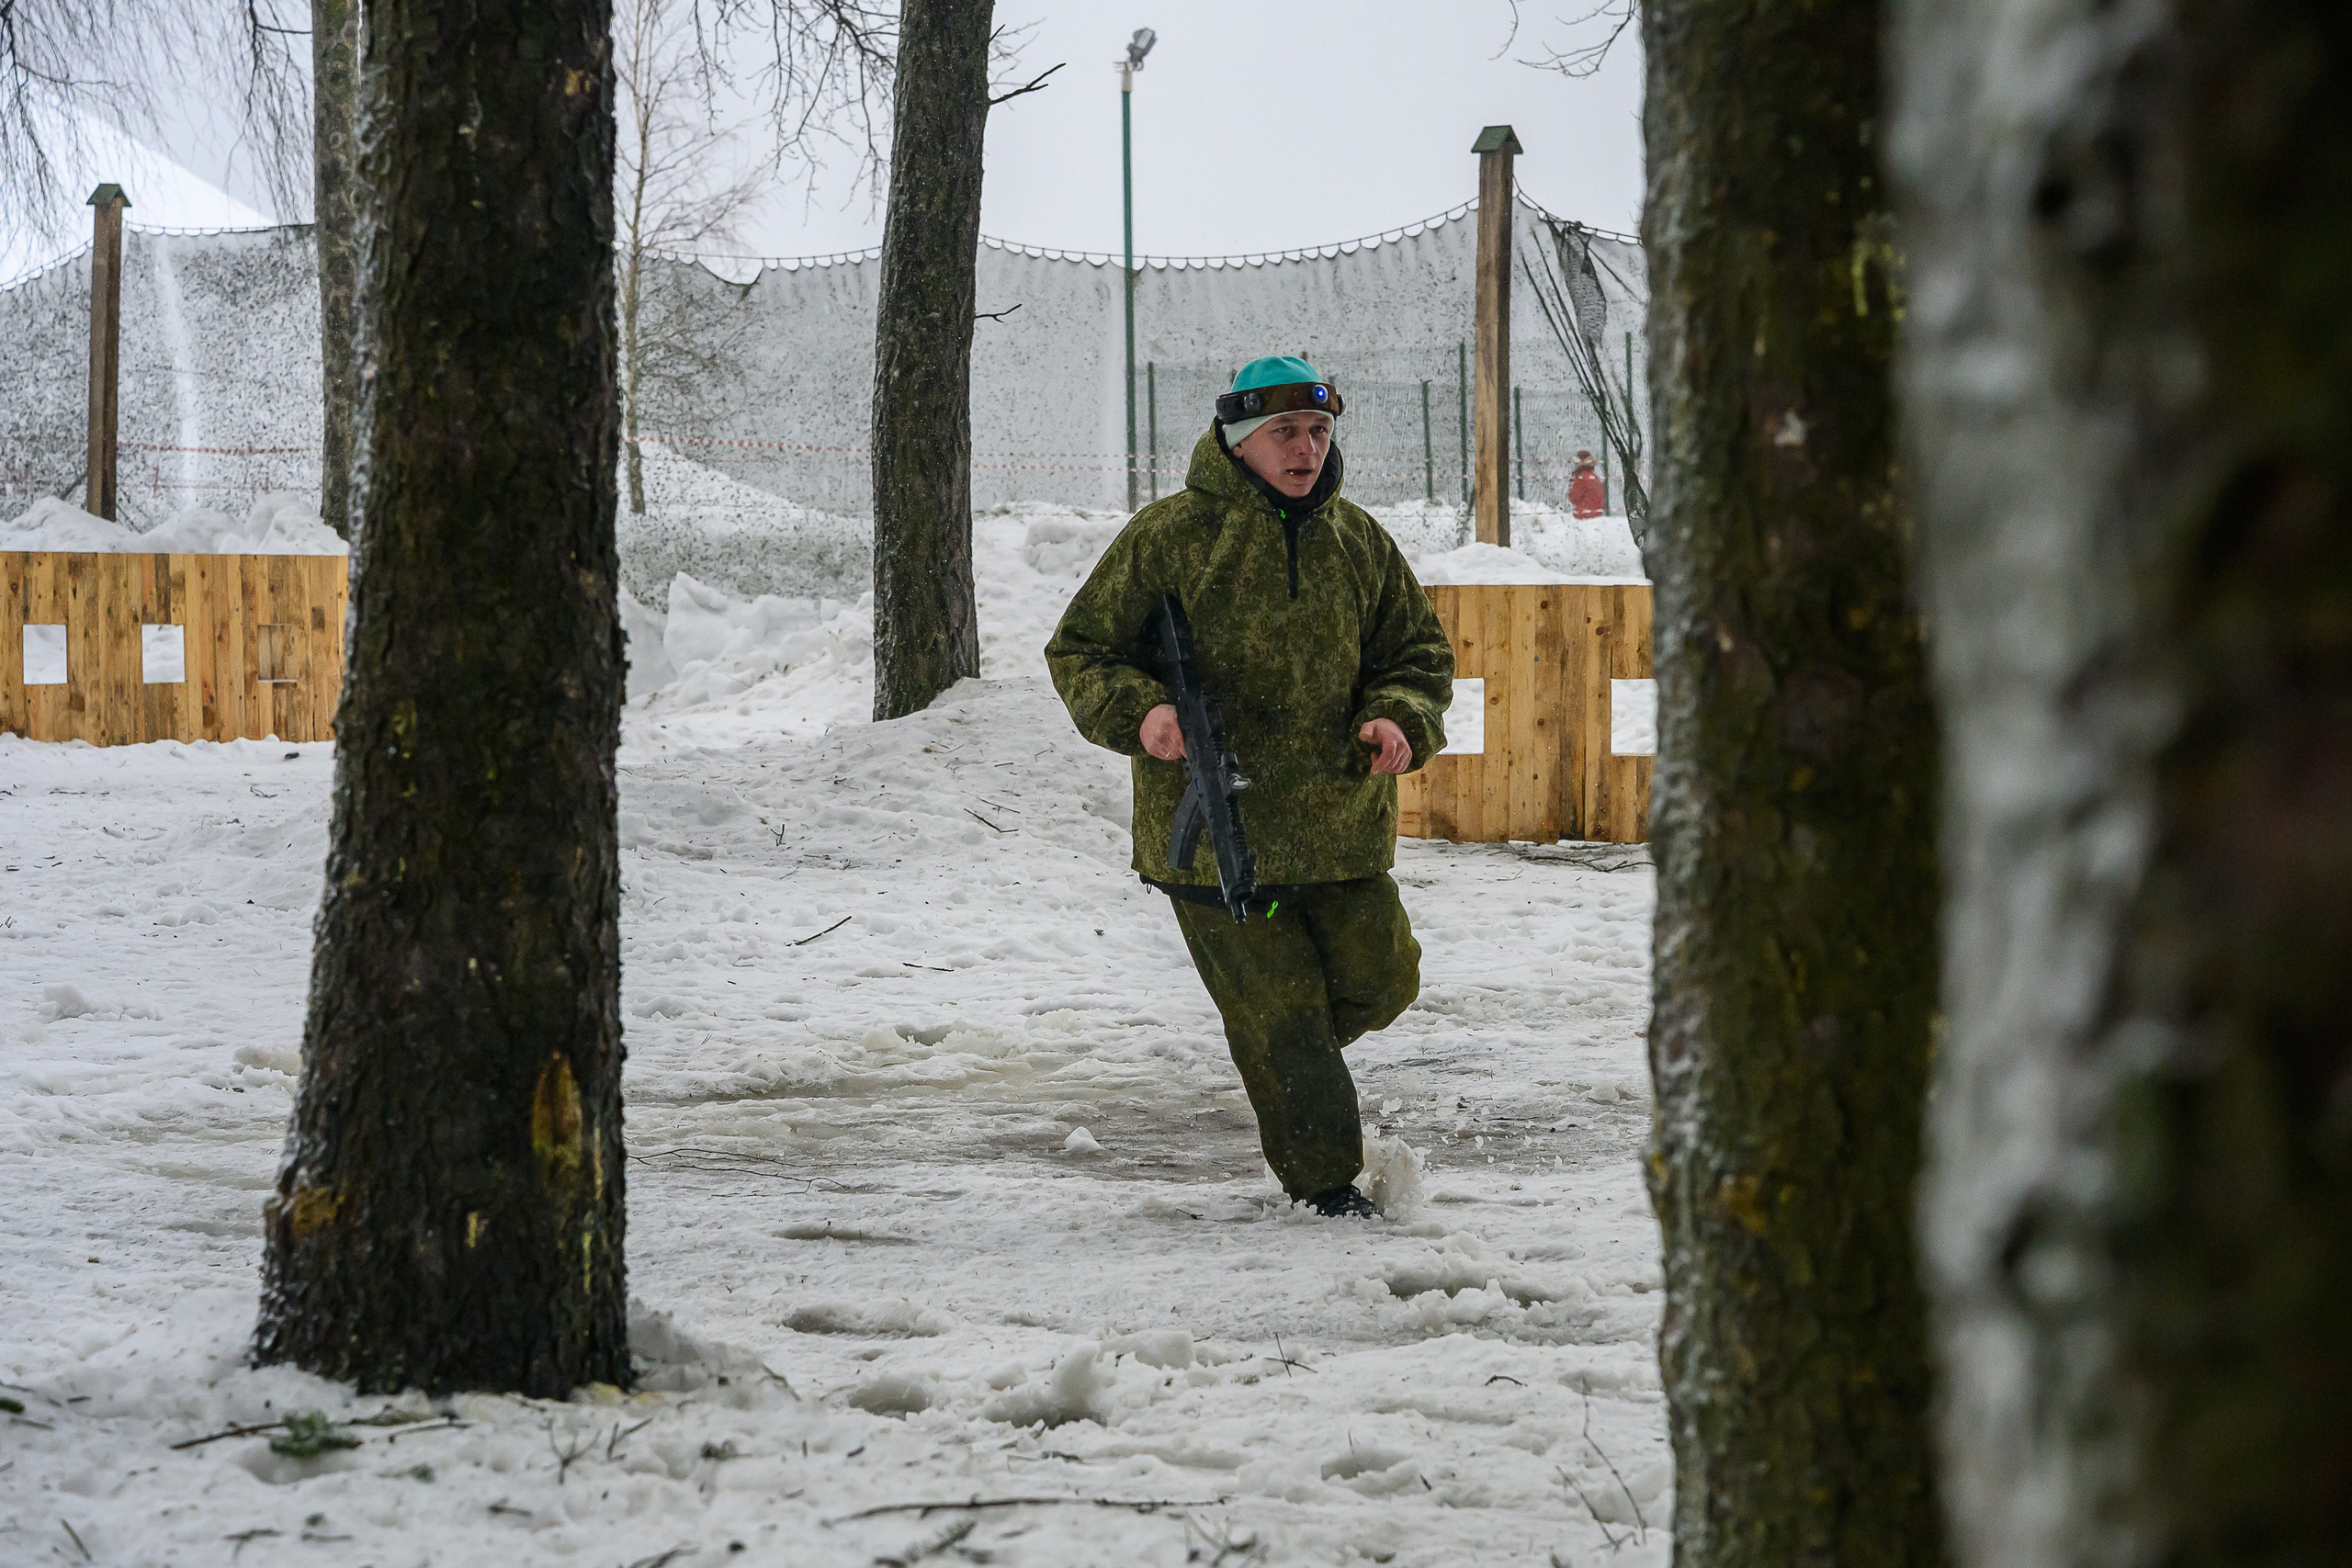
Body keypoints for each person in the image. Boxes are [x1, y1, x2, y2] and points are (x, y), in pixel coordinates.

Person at [1045, 355, 1454, 1218]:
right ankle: (1326, 1185)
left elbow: (1418, 655)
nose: (1306, 450)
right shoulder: (1170, 537)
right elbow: (1081, 649)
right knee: (1284, 1022)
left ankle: (1280, 1046)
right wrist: (1147, 713)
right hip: (1214, 845)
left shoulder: (1359, 541)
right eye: (1284, 434)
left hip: (1340, 828)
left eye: (1318, 432)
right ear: (1238, 441)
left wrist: (1398, 718)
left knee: (1386, 979)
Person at [1568, 450, 1608, 519]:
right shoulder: (1595, 478)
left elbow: (1574, 497)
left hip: (1583, 516)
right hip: (1597, 515)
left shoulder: (1581, 479)